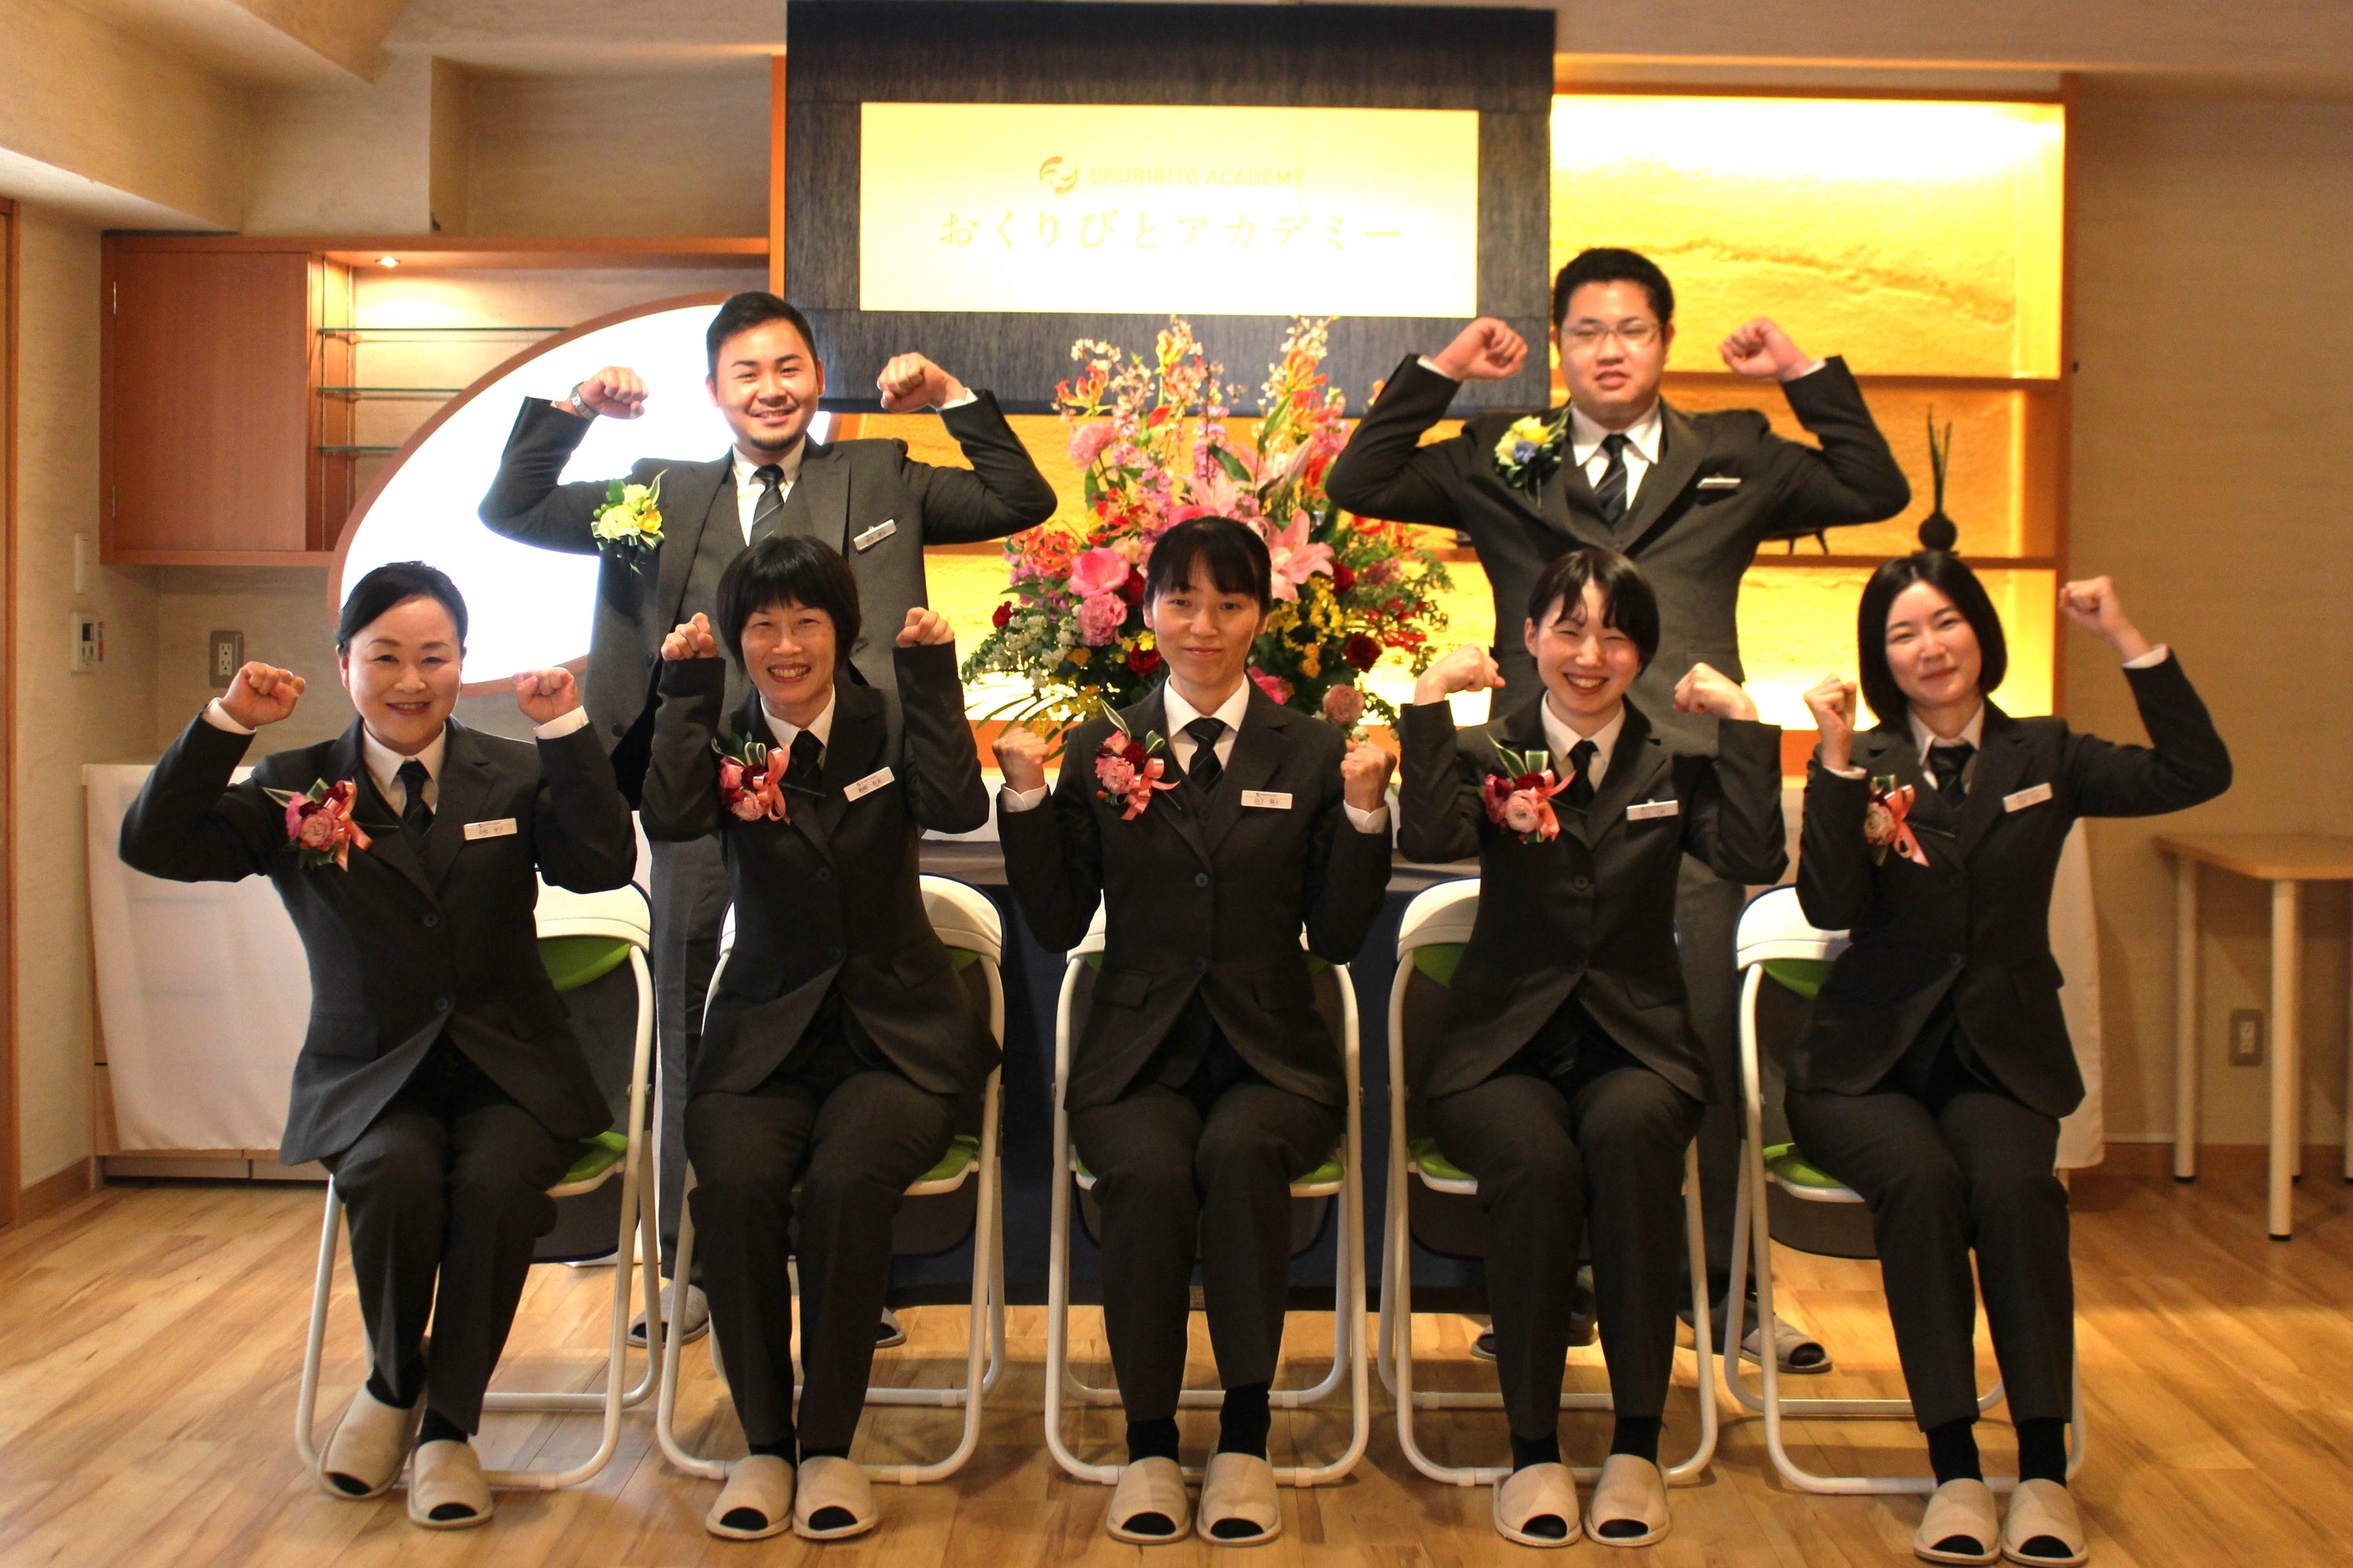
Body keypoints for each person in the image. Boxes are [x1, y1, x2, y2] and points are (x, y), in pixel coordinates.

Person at [1327, 246, 1913, 1371]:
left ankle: (1727, 1293)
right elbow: (1360, 479)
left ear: (1663, 341)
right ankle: (1552, 1288)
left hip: (1686, 789)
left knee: (1697, 1036)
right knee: (1546, 1035)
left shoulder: (1731, 453)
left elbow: (1873, 488)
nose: (1608, 350)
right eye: (1586, 330)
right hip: (1533, 785)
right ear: (1557, 345)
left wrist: (1799, 371)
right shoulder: (1501, 451)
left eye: (1630, 329)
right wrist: (1443, 369)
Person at [479, 291, 1055, 1347]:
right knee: (689, 1012)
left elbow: (1020, 496)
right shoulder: (657, 493)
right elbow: (512, 511)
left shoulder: (877, 475)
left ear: (815, 378)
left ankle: (853, 1269)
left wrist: (948, 396)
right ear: (713, 390)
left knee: (854, 1013)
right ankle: (696, 1262)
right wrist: (577, 410)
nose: (770, 388)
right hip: (698, 788)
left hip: (854, 784)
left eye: (788, 367)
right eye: (746, 372)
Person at [118, 562, 637, 1530]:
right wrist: (228, 723)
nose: (410, 680)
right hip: (371, 1076)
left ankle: (446, 1428)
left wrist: (565, 730)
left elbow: (602, 862)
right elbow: (154, 843)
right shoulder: (293, 784)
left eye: (433, 657)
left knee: (492, 1187)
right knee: (393, 1177)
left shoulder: (514, 771)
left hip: (512, 1074)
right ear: (343, 664)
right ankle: (396, 1383)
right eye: (385, 657)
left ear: (462, 664)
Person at [1790, 555, 2229, 1566]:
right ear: (1880, 658)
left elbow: (2194, 771)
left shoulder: (2046, 752)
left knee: (2016, 1190)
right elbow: (1828, 904)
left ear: (1980, 632)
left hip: (1997, 1059)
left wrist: (2122, 635)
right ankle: (1952, 1468)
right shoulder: (1867, 759)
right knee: (1921, 1185)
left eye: (1944, 622)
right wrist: (1834, 759)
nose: (1928, 647)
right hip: (1864, 1067)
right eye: (1902, 633)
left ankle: (2038, 1471)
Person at [993, 517, 1395, 1545]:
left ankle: (1245, 1437)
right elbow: (1053, 920)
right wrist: (1026, 800)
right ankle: (1147, 1443)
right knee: (1147, 1171)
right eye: (1181, 600)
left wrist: (1362, 814)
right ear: (1146, 610)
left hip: (1273, 1056)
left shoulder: (1312, 750)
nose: (1203, 626)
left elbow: (1337, 935)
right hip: (1135, 1058)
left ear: (1261, 616)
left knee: (1241, 1154)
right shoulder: (1099, 747)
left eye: (1228, 603)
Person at [1399, 547, 1786, 1548]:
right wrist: (1428, 702)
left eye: (1613, 635)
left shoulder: (1673, 764)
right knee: (1533, 1164)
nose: (1588, 654)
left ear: (1641, 654)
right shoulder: (1488, 755)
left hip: (1636, 1047)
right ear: (1528, 637)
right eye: (1567, 629)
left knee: (1629, 1144)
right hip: (1500, 1050)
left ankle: (1634, 1446)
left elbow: (1752, 853)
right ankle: (1530, 1449)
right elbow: (1430, 839)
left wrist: (1744, 724)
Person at [636, 535, 993, 1541]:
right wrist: (685, 691)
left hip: (897, 1039)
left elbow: (958, 803)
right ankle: (763, 1444)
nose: (785, 646)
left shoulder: (888, 721)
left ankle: (828, 1444)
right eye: (762, 626)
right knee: (735, 1186)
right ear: (737, 637)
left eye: (806, 622)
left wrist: (933, 677)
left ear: (843, 631)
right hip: (762, 1041)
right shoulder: (723, 737)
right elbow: (670, 818)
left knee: (844, 1185)